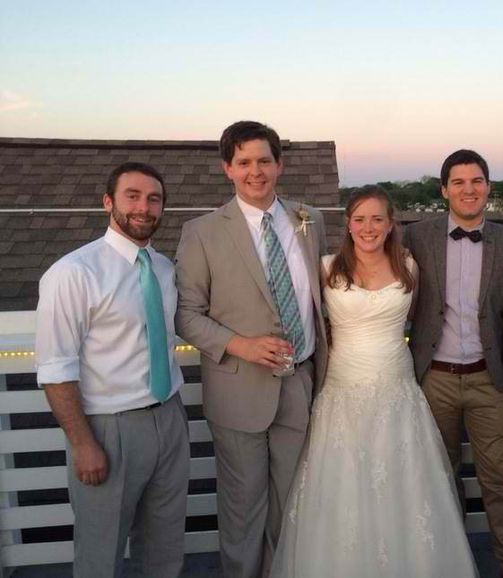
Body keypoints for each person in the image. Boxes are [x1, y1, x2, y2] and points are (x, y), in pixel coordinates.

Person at [270, 186, 479, 577]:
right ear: (348, 224)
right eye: (360, 219)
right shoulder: (327, 267)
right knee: (344, 486)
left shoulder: (409, 267)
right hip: (342, 389)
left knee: (404, 486)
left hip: (397, 390)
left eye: (377, 219)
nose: (368, 228)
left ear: (390, 224)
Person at [174, 121, 327, 577]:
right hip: (238, 390)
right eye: (244, 163)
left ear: (279, 165)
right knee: (243, 510)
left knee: (291, 503)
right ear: (228, 169)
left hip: (300, 383)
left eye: (264, 160)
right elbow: (185, 314)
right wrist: (240, 344)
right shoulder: (202, 231)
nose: (255, 171)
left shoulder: (310, 218)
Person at [36, 162, 189, 577]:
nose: (144, 207)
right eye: (132, 196)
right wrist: (82, 443)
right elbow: (55, 368)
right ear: (108, 202)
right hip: (109, 429)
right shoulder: (73, 273)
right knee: (101, 550)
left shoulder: (163, 269)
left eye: (154, 199)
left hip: (169, 419)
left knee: (164, 547)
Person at [402, 150, 503, 578]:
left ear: (488, 187)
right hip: (433, 378)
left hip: (487, 380)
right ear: (444, 190)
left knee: (499, 480)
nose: (468, 189)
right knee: (441, 479)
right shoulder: (416, 237)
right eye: (458, 182)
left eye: (476, 181)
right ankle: (449, 565)